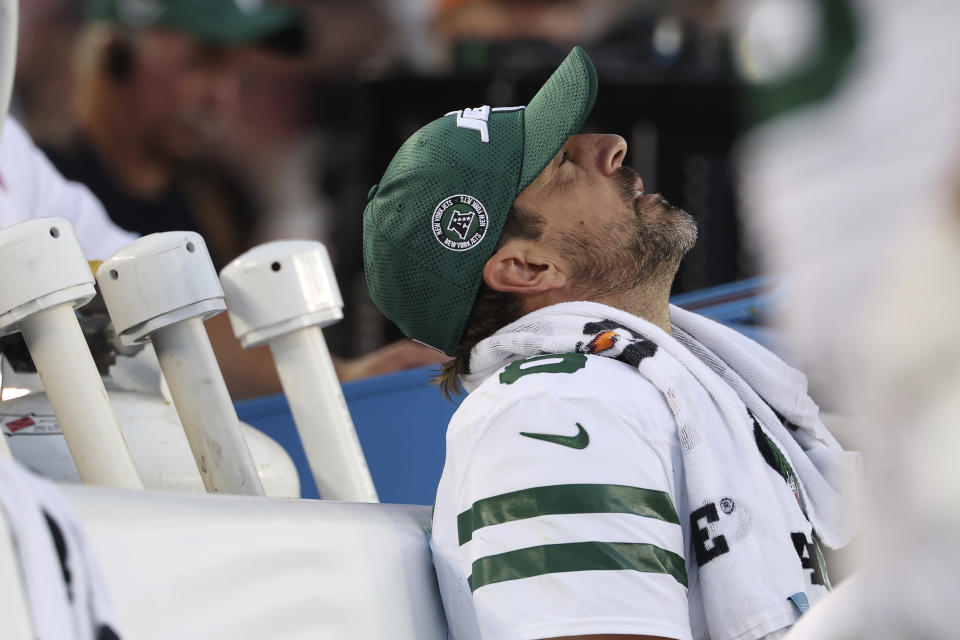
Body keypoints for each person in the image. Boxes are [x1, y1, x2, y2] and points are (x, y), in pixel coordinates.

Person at [362, 47, 858, 639]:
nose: (611, 146)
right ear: (526, 267)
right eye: (562, 162)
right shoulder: (552, 409)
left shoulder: (659, 384)